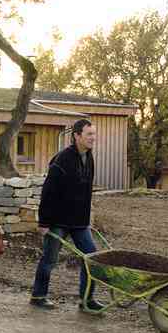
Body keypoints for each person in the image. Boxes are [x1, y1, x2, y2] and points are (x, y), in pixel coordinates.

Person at [30, 118, 103, 313]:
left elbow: (87, 191)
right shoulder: (62, 159)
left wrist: (87, 219)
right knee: (49, 259)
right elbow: (48, 192)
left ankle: (87, 299)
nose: (93, 138)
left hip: (79, 222)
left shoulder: (89, 157)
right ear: (77, 136)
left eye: (94, 134)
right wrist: (44, 221)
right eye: (89, 134)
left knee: (91, 258)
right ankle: (38, 295)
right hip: (58, 221)